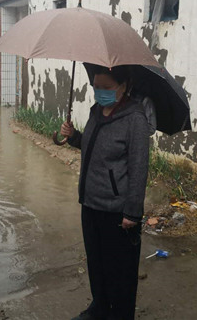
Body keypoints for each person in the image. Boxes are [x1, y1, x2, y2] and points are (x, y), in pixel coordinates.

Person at [61, 64, 152, 320]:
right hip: (91, 204)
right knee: (97, 264)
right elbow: (93, 147)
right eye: (96, 86)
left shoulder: (135, 119)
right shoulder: (97, 111)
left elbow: (139, 168)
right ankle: (99, 307)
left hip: (117, 212)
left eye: (106, 87)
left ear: (124, 86)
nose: (99, 92)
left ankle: (120, 314)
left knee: (120, 271)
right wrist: (74, 136)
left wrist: (132, 212)